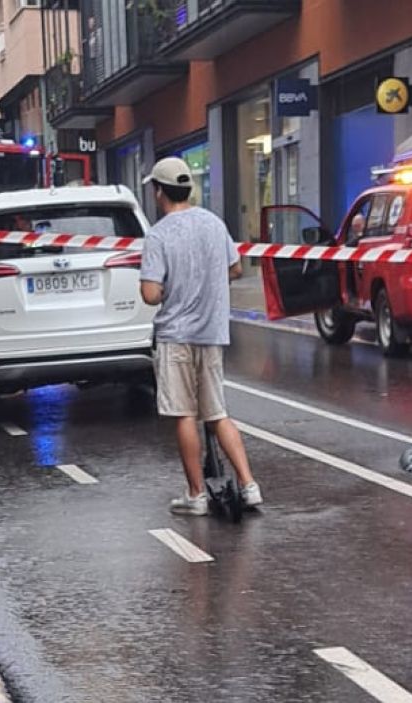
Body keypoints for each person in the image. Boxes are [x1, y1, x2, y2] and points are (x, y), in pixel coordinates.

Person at [139, 156, 261, 516]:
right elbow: (235, 268)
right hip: (211, 332)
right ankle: (249, 484)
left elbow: (150, 294)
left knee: (184, 415)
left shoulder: (158, 235)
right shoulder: (213, 223)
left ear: (160, 192)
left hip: (176, 336)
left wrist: (169, 290)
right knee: (217, 412)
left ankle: (196, 494)